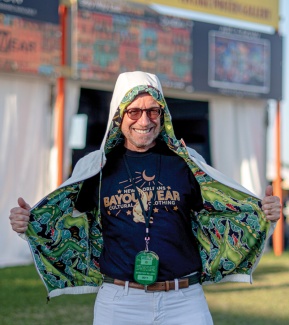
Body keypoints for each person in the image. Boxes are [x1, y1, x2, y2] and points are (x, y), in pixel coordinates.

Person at [10, 71, 281, 325]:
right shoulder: (96, 169)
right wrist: (29, 222)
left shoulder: (185, 163)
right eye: (134, 111)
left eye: (153, 110)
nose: (144, 120)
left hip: (184, 300)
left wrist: (263, 212)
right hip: (119, 302)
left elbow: (223, 212)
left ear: (163, 115)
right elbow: (62, 219)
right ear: (119, 115)